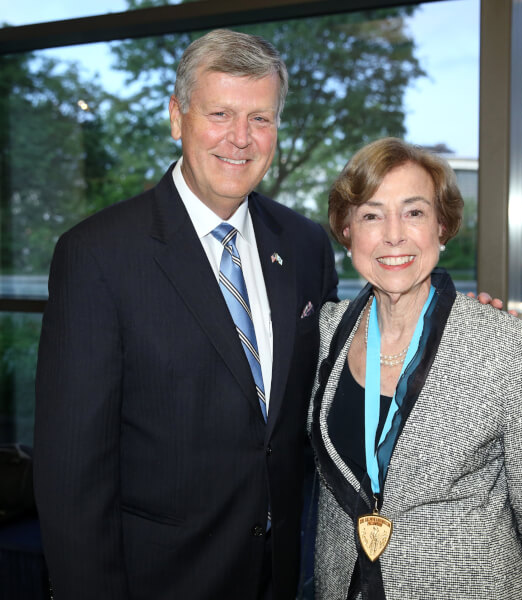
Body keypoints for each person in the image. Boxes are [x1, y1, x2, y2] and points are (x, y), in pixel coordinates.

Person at [33, 29, 339, 600]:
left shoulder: (303, 245)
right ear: (177, 117)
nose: (241, 139)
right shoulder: (97, 255)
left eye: (261, 118)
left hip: (280, 576)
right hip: (157, 580)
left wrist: (443, 316)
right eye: (219, 113)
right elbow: (71, 473)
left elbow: (342, 368)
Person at [308, 138, 522, 599]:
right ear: (346, 232)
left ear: (442, 226)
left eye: (414, 212)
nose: (393, 234)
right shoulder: (324, 334)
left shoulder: (505, 347)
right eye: (370, 214)